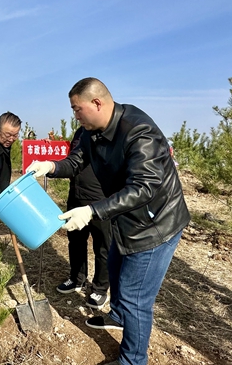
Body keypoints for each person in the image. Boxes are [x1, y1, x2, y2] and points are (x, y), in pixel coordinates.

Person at [26, 78, 190, 365]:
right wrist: (51, 166)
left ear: (97, 103)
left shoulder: (139, 132)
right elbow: (77, 161)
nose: (74, 115)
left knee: (136, 298)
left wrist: (91, 211)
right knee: (114, 271)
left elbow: (144, 188)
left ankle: (133, 359)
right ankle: (116, 315)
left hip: (155, 226)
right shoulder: (91, 131)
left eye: (77, 109)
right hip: (125, 219)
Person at [56, 127, 112, 310]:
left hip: (101, 200)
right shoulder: (81, 132)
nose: (77, 115)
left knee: (103, 246)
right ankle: (76, 278)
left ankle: (100, 288)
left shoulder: (110, 132)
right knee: (76, 241)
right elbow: (73, 161)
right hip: (76, 196)